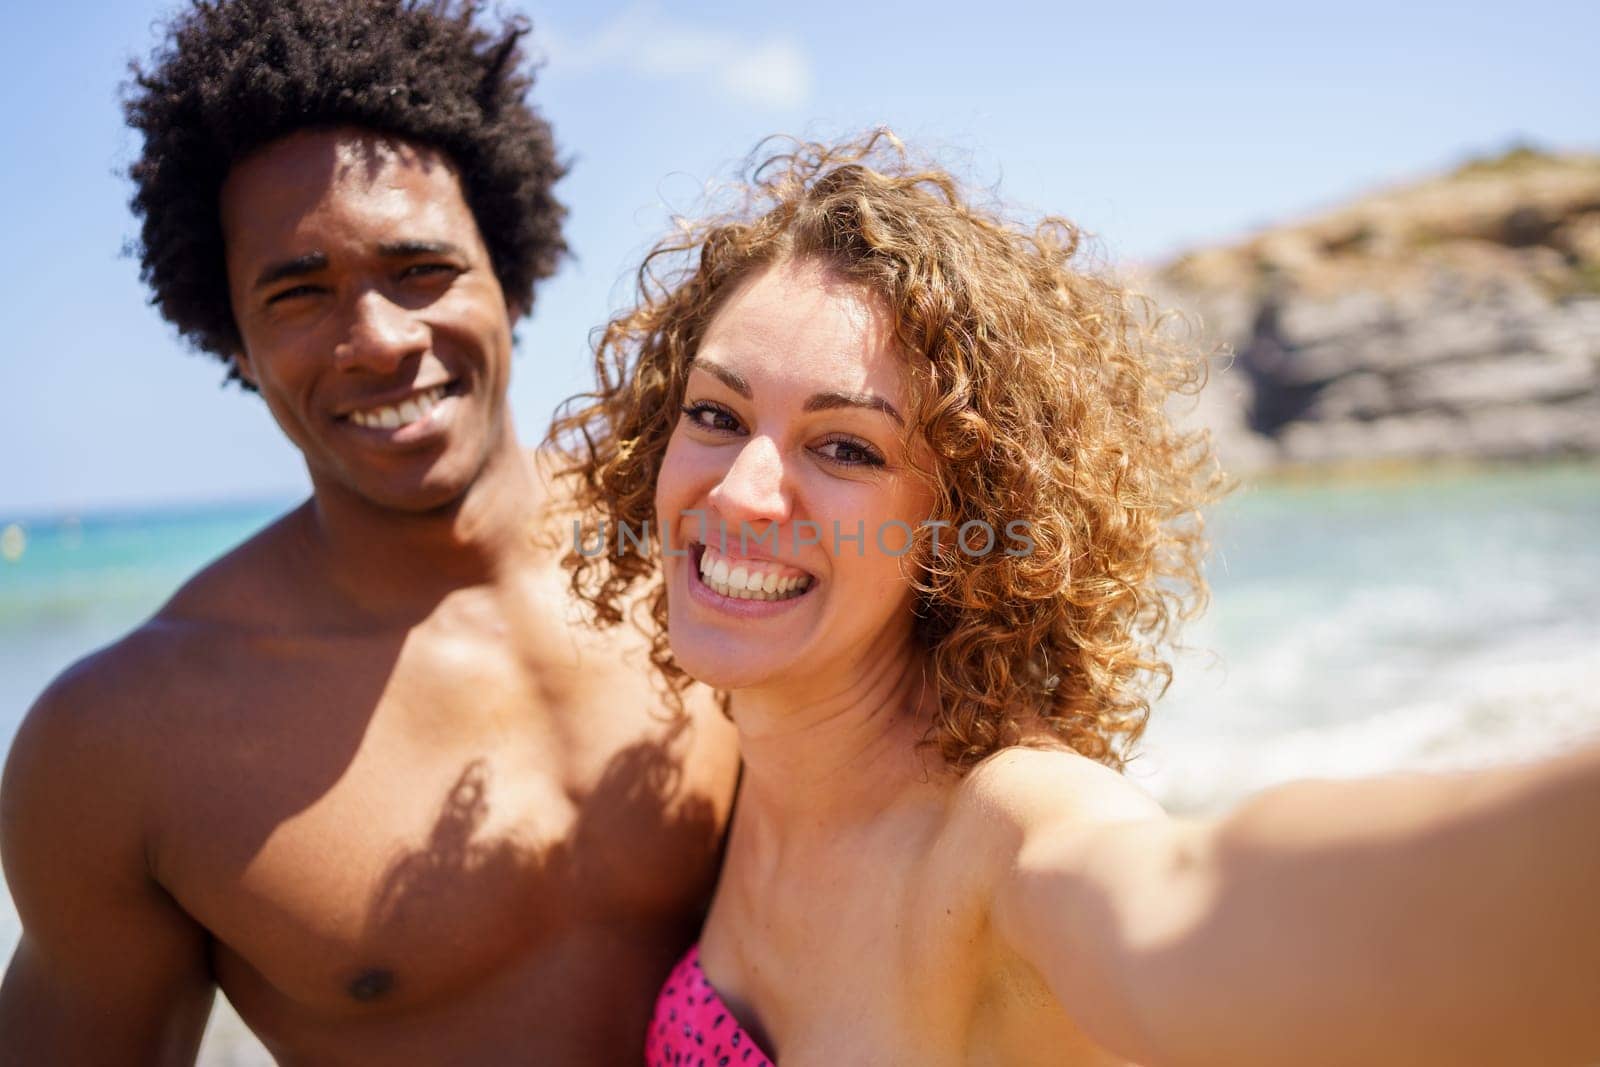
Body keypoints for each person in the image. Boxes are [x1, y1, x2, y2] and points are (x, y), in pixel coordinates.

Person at [552, 132, 1600, 1066]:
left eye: (844, 445)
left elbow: (1182, 910)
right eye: (715, 413)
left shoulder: (1004, 831)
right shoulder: (736, 768)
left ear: (966, 517)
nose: (739, 491)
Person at [0, 2, 738, 1063]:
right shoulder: (123, 744)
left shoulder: (709, 546)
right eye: (300, 293)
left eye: (420, 268)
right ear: (234, 339)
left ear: (508, 272)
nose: (381, 340)